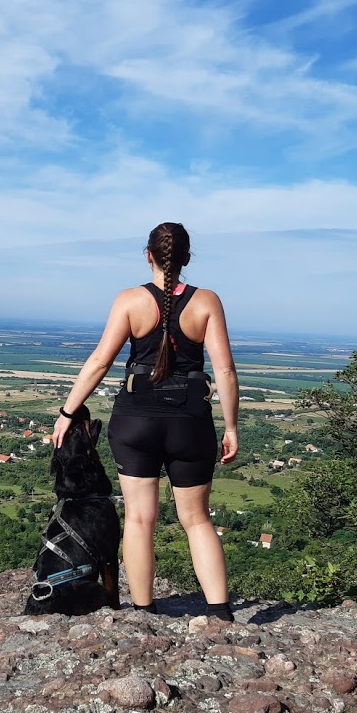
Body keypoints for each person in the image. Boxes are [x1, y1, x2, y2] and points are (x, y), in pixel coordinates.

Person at [51, 222, 239, 620]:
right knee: (197, 519)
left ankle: (143, 611)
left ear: (148, 255)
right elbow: (225, 372)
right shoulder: (207, 301)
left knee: (139, 518)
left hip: (135, 420)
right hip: (191, 421)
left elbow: (100, 361)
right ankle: (220, 614)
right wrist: (232, 428)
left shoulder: (129, 300)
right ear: (186, 258)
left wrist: (68, 412)